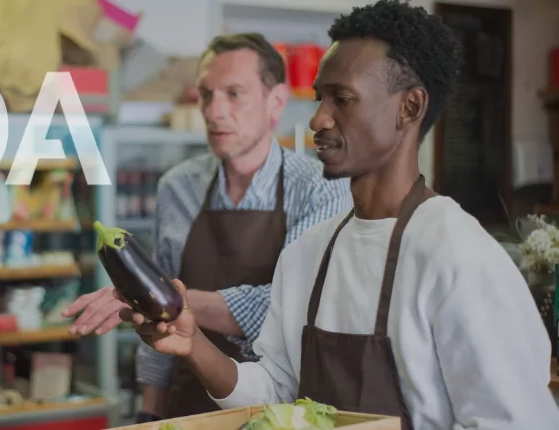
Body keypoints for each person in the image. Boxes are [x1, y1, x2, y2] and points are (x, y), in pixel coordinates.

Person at [119, 1, 559, 429]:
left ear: (410, 107)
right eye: (318, 98)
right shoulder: (307, 255)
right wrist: (193, 343)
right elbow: (276, 392)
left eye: (342, 100)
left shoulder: (460, 257)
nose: (316, 120)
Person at [61, 33, 353, 421]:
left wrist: (152, 297)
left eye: (234, 93)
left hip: (279, 414)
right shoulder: (177, 187)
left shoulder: (322, 189)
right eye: (205, 94)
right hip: (188, 411)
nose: (214, 111)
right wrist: (150, 413)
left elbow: (288, 305)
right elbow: (156, 331)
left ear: (276, 101)